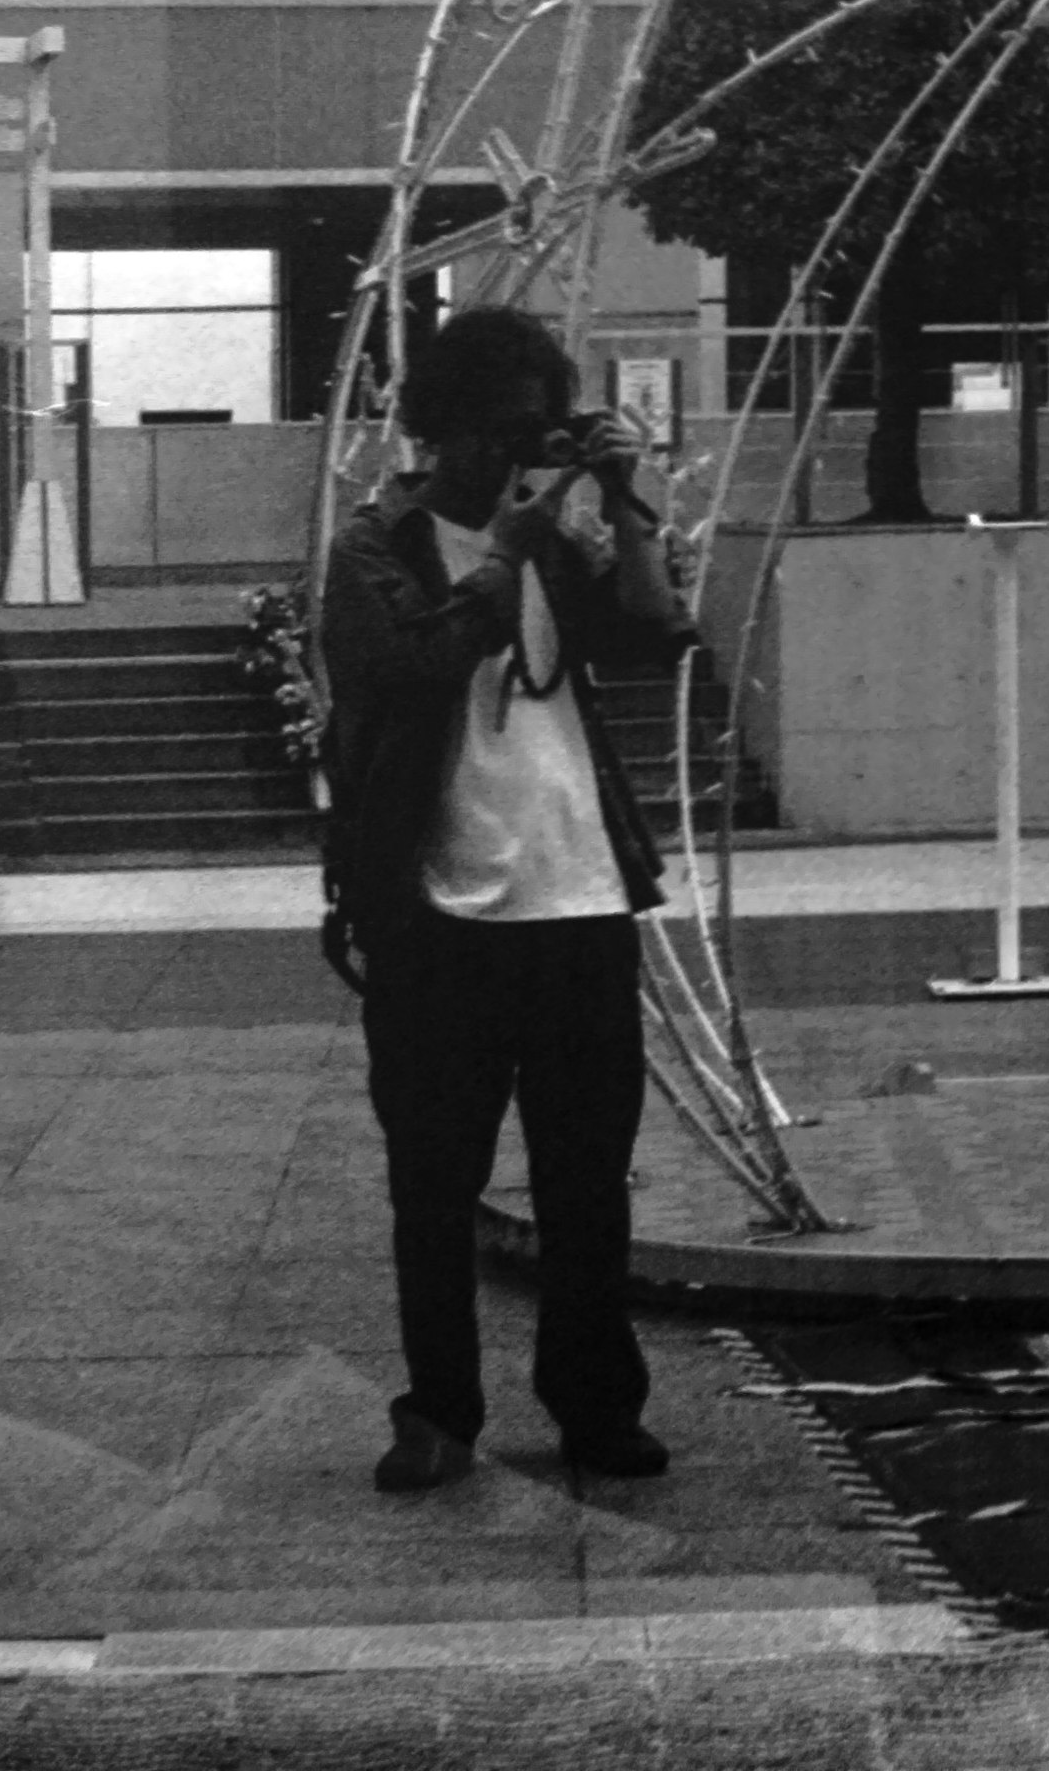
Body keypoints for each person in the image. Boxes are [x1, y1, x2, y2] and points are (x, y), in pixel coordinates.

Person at [317, 303, 687, 1492]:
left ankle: (595, 1405)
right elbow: (405, 663)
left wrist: (624, 498)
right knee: (433, 1182)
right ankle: (438, 1410)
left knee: (587, 1181)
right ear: (436, 430)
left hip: (579, 905)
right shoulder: (374, 546)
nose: (507, 459)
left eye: (530, 435)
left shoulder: (552, 547)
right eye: (489, 434)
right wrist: (511, 551)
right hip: (437, 917)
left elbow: (654, 631)